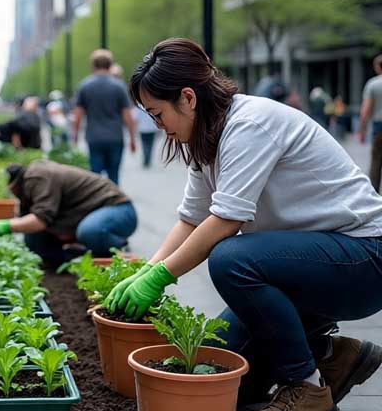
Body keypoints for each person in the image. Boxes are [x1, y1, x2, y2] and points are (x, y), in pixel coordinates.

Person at [103, 38, 382, 411]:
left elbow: (225, 221)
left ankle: (307, 386)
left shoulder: (250, 124)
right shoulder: (207, 139)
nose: (158, 125)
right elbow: (191, 219)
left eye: (157, 114)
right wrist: (147, 269)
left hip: (363, 258)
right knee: (219, 366)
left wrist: (160, 279)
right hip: (310, 263)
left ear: (187, 98)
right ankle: (331, 355)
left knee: (230, 258)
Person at [0, 159, 137, 267]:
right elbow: (33, 221)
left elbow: (40, 220)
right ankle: (77, 257)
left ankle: (117, 248)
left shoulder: (37, 176)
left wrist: (6, 225)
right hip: (90, 214)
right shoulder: (31, 179)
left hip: (118, 210)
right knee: (33, 240)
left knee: (89, 231)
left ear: (14, 185)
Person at [72, 49, 136, 185]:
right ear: (110, 64)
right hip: (115, 137)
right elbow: (128, 116)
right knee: (114, 176)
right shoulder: (119, 86)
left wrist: (75, 136)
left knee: (95, 177)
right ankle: (114, 201)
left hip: (94, 137)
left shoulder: (84, 86)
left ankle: (97, 202)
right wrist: (132, 138)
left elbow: (77, 116)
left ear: (93, 65)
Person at [360, 54, 382, 192]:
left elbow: (366, 110)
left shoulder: (373, 84)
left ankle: (373, 195)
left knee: (376, 163)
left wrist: (362, 129)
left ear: (378, 67)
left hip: (379, 127)